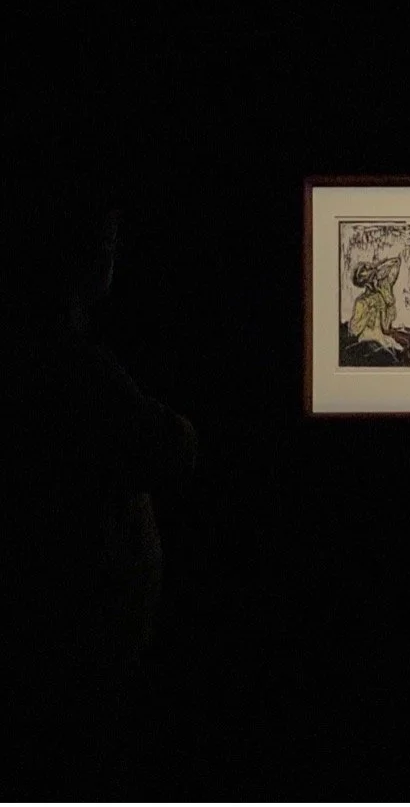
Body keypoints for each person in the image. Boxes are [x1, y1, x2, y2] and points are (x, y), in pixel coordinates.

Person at [5, 176, 198, 740]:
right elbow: (169, 448)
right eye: (105, 239)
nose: (113, 251)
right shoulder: (70, 364)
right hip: (80, 639)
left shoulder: (56, 355)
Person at [348, 254, 403, 352]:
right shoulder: (362, 301)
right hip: (367, 340)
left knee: (400, 350)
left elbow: (385, 326)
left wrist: (377, 266)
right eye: (374, 278)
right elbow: (354, 330)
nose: (377, 280)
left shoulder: (379, 297)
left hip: (381, 339)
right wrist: (368, 309)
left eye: (376, 277)